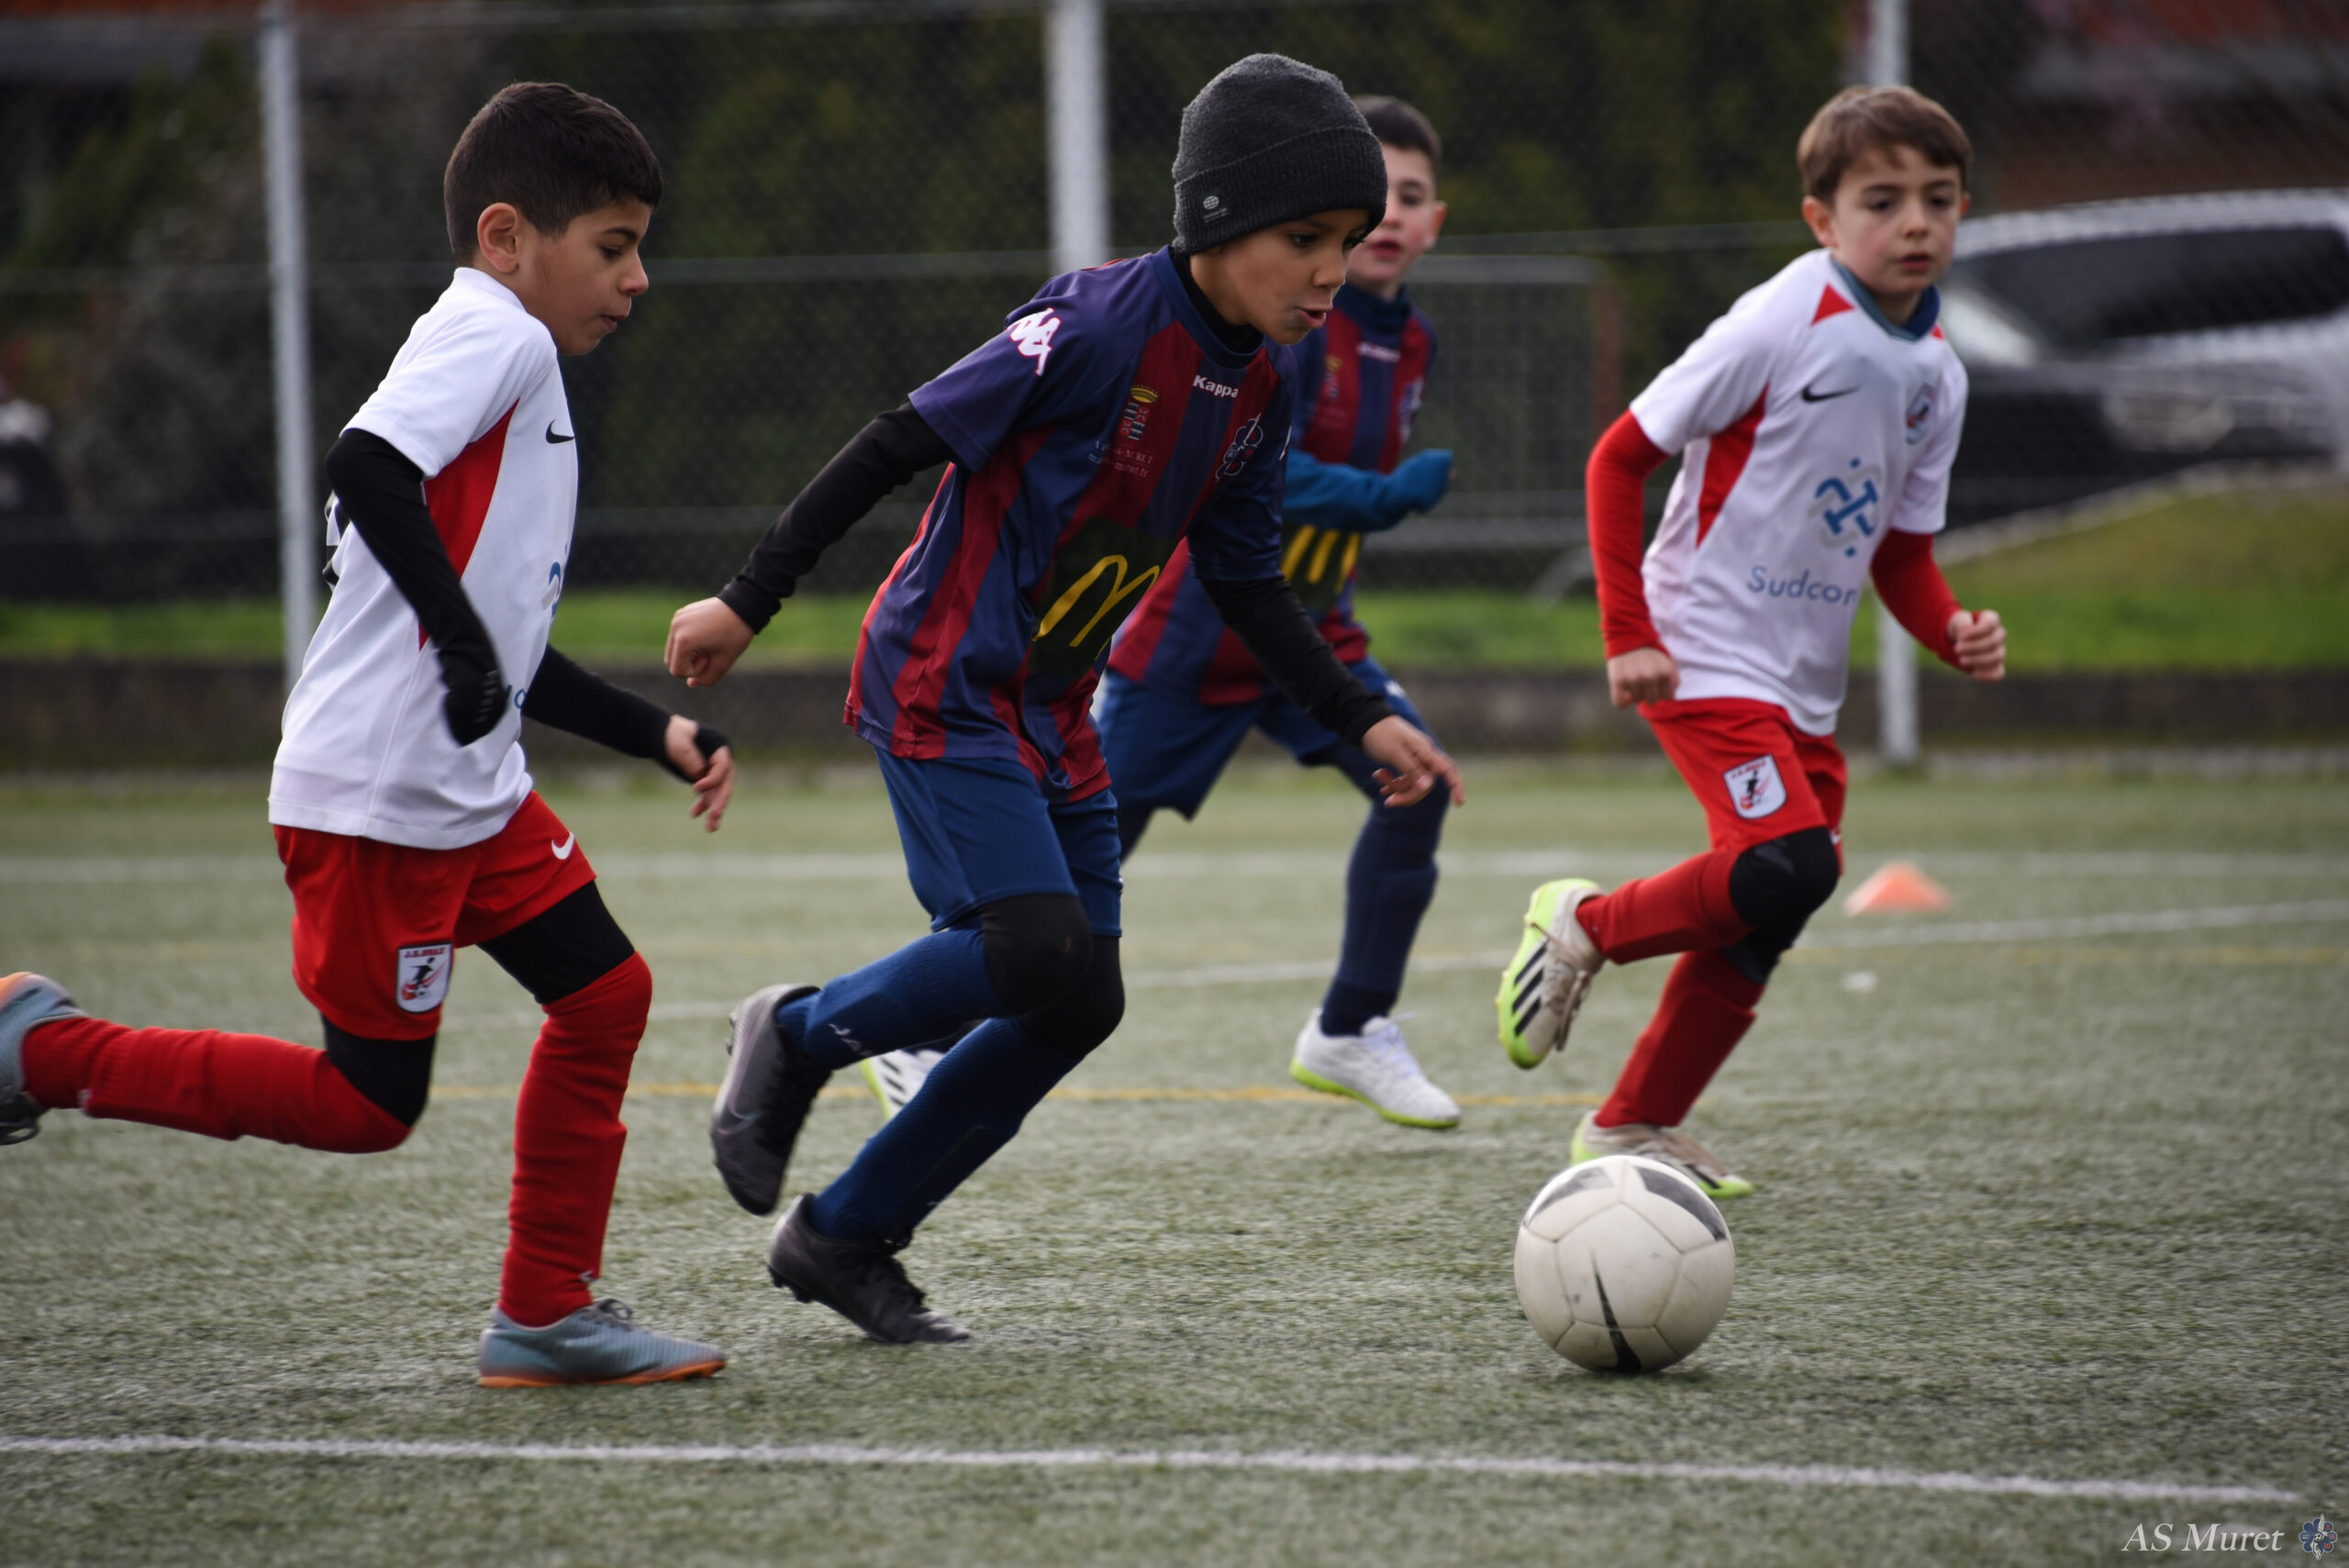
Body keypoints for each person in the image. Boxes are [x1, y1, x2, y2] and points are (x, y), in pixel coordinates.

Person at [665, 54, 1464, 1346]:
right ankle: (799, 1033)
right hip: (943, 678)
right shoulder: (1093, 326)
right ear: (1219, 219)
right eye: (1306, 239)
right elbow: (896, 440)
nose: (1332, 269)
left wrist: (1354, 712)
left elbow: (1249, 584)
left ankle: (845, 1233)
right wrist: (748, 600)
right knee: (1031, 945)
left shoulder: (1261, 386)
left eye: (1347, 240)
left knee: (1080, 997)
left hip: (1049, 709)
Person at [0, 83, 737, 1387]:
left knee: (604, 992)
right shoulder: (494, 334)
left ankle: (545, 1310)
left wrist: (648, 728)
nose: (637, 278)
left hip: (467, 793)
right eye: (613, 247)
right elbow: (364, 465)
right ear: (505, 237)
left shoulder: (503, 363)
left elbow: (495, 638)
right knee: (365, 1106)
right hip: (383, 803)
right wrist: (462, 647)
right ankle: (42, 1050)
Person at [1496, 85, 2007, 1199]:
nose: (1914, 223)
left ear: (1963, 208)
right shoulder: (1781, 318)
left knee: (1774, 901)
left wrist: (1950, 627)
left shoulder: (1940, 375)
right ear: (1822, 218)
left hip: (1800, 680)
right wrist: (1627, 634)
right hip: (1700, 643)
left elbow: (1900, 553)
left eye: (1937, 199)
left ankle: (1630, 1124)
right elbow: (1618, 457)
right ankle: (1584, 924)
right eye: (1882, 201)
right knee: (1788, 862)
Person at [1072, 95, 1457, 1131]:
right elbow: (1259, 470)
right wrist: (1380, 497)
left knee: (1415, 782)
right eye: (1370, 199)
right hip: (1201, 633)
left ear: (1433, 220)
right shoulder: (1292, 321)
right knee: (1085, 844)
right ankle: (937, 1023)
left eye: (1408, 197)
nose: (1387, 218)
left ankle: (1350, 1026)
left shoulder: (1413, 339)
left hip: (1317, 635)